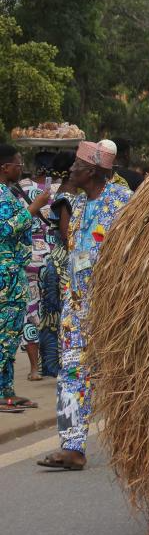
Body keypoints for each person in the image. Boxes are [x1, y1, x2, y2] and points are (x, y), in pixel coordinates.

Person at [38, 142, 131, 469]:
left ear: (91, 171)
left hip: (113, 306)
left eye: (76, 166)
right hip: (76, 307)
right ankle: (73, 447)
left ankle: (133, 446)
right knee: (72, 371)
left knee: (124, 374)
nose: (71, 171)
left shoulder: (123, 201)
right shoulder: (77, 204)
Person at [0, 145, 49, 412]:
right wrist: (33, 208)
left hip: (14, 271)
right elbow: (4, 228)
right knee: (4, 332)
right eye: (18, 163)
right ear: (5, 167)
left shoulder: (7, 192)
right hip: (4, 272)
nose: (21, 167)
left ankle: (7, 389)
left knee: (13, 329)